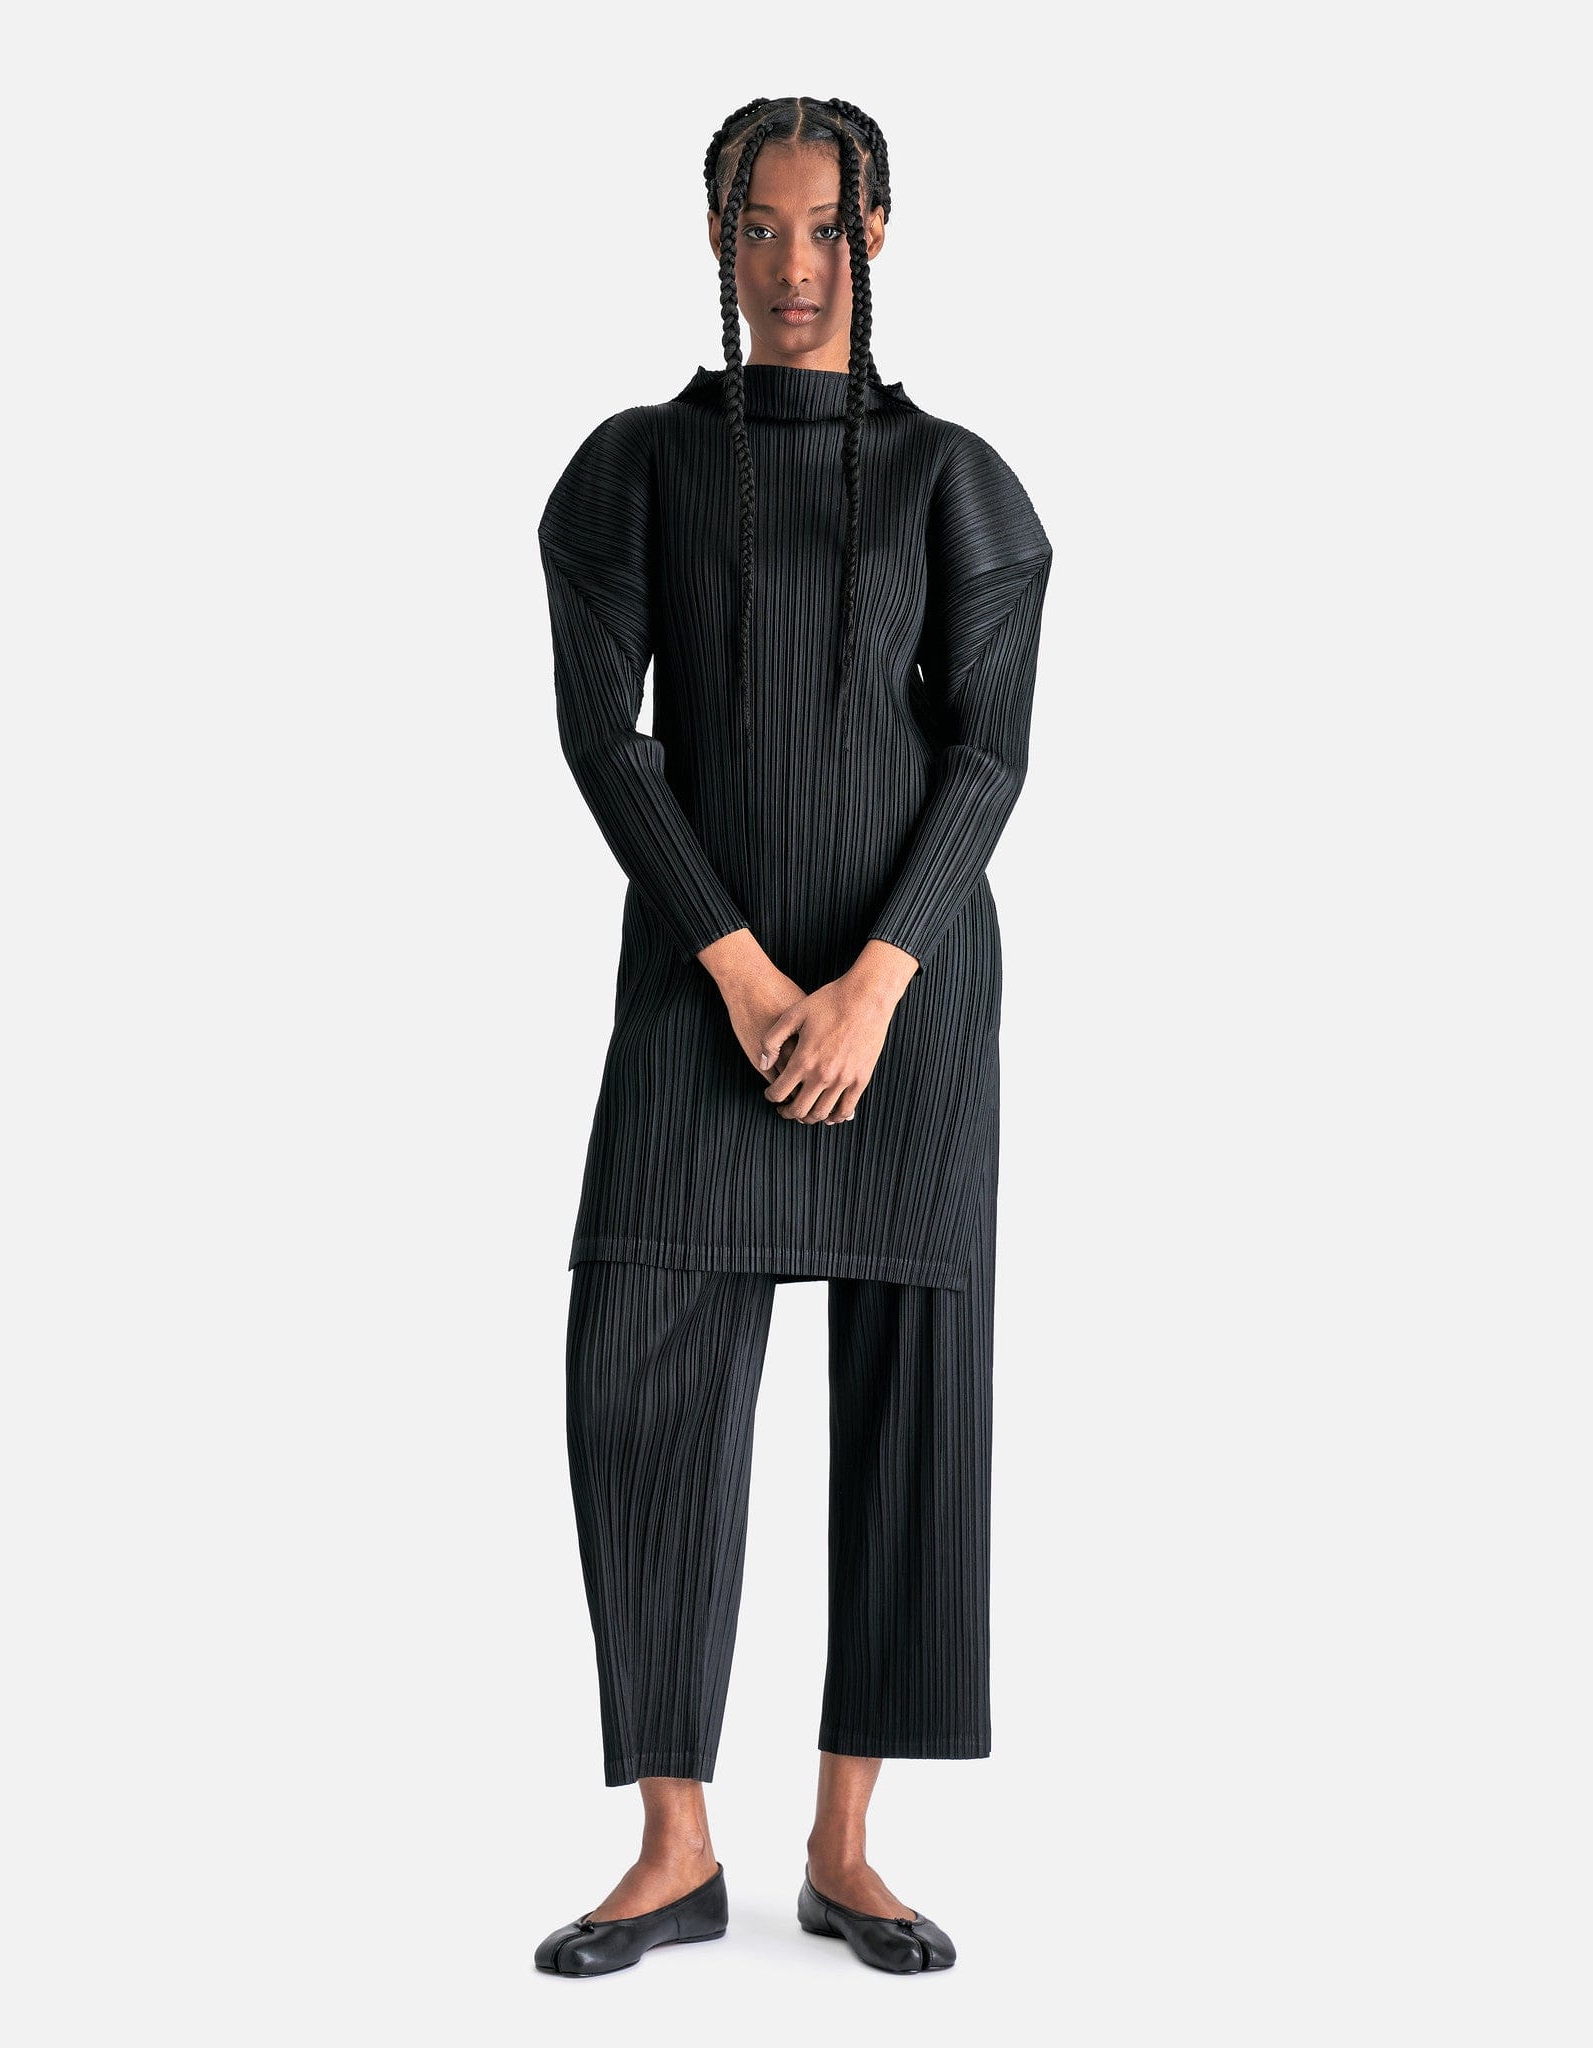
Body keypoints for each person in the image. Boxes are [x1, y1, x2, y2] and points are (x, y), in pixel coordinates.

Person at [532, 95, 1053, 1979]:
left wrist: (872, 983)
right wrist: (747, 977)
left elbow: (986, 756)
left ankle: (846, 1843)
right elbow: (608, 743)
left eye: (823, 228)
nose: (790, 265)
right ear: (715, 239)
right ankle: (673, 1849)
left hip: (907, 1009)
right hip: (706, 996)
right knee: (637, 1372)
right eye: (756, 227)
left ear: (877, 234)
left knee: (910, 1405)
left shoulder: (957, 484)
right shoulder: (630, 471)